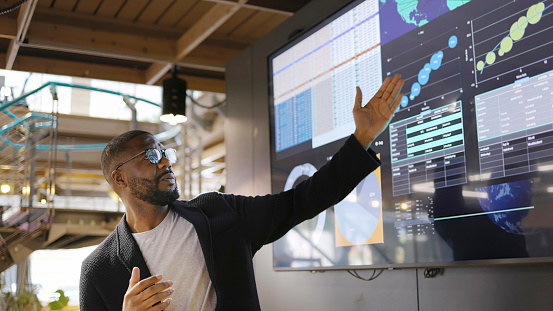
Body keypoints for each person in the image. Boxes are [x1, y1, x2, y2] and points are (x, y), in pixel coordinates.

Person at [79, 74, 404, 311]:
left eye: (166, 152)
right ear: (119, 179)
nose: (165, 161)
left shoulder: (220, 214)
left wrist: (362, 137)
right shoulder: (98, 270)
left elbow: (303, 200)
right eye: (151, 155)